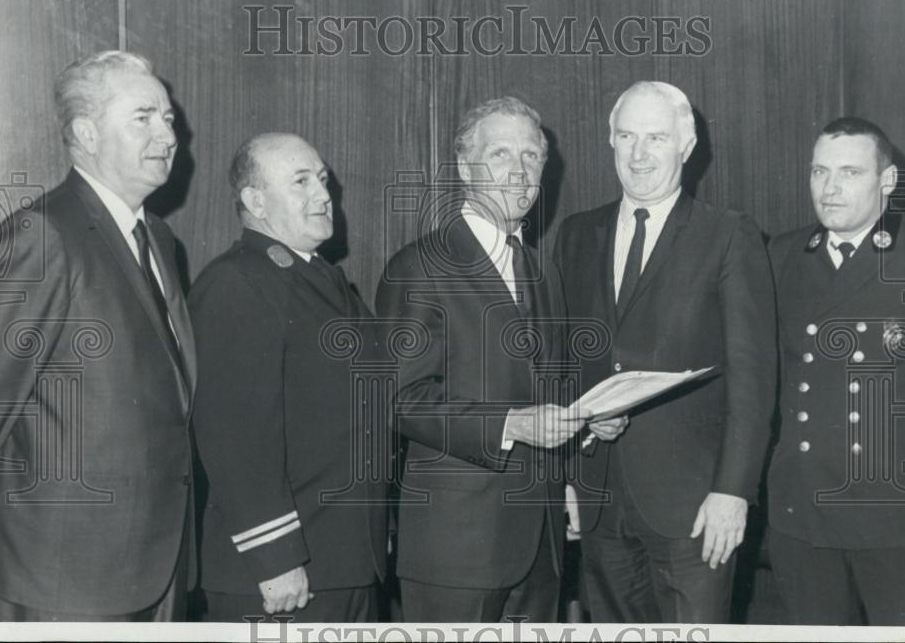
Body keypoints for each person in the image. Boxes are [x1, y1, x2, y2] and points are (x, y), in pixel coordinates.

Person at [375, 97, 611, 622]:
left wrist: (590, 422)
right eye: (501, 153)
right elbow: (401, 400)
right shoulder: (419, 267)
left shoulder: (541, 270)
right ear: (464, 166)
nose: (519, 170)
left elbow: (548, 389)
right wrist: (512, 425)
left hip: (543, 545)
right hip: (456, 551)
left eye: (531, 156)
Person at [554, 81, 776, 623]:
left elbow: (754, 378)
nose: (639, 153)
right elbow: (561, 363)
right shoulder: (576, 235)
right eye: (626, 136)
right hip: (599, 498)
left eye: (656, 137)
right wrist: (573, 448)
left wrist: (733, 492)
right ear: (610, 142)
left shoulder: (728, 234)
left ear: (687, 145)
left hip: (695, 508)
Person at [0, 51, 196, 621]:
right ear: (85, 132)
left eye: (169, 119)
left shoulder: (159, 239)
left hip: (158, 567)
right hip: (63, 578)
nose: (167, 134)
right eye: (144, 117)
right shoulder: (44, 234)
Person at [189, 133, 387, 622]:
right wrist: (274, 558)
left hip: (343, 561)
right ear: (256, 202)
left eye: (322, 180)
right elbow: (234, 439)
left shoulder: (322, 279)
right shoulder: (237, 283)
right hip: (281, 576)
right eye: (301, 182)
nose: (323, 195)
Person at [766, 117, 905, 625]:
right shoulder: (783, 255)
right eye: (819, 172)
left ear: (887, 181)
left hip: (902, 523)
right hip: (804, 519)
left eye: (849, 173)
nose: (830, 188)